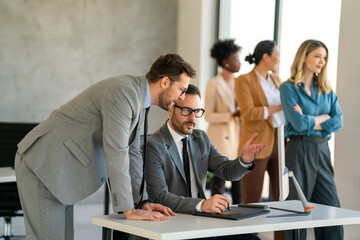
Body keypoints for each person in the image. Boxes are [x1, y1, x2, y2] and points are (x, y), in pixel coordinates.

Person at [14, 53, 196, 240]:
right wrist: (128, 209)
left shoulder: (138, 97)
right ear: (165, 82)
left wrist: (141, 202)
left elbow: (132, 151)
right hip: (43, 163)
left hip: (59, 169)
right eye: (182, 90)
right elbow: (117, 150)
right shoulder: (124, 93)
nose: (182, 97)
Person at [145, 84, 264, 240]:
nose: (192, 118)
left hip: (202, 222)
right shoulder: (153, 145)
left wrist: (244, 160)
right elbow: (159, 197)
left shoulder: (200, 138)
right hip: (172, 224)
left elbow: (227, 170)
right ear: (170, 108)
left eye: (197, 111)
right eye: (186, 110)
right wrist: (202, 205)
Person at [279, 39, 343, 240]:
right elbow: (297, 124)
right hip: (298, 149)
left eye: (324, 58)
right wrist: (322, 119)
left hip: (322, 151)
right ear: (304, 56)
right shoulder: (288, 88)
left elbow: (338, 121)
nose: (321, 61)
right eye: (317, 56)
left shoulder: (326, 90)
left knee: (331, 209)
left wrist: (309, 120)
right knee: (296, 210)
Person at [205, 39, 242, 204]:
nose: (239, 62)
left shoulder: (240, 83)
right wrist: (231, 115)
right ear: (225, 62)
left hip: (237, 135)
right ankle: (217, 211)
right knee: (220, 178)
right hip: (220, 138)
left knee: (239, 176)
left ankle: (240, 214)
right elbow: (208, 115)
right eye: (235, 58)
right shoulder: (214, 84)